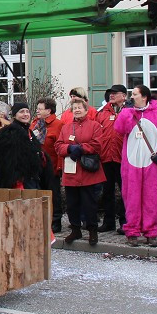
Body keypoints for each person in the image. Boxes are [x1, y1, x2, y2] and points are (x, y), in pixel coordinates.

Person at [114, 85, 157, 246]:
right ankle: (132, 231)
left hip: (151, 163)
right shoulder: (128, 113)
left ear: (144, 97)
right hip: (131, 164)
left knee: (151, 198)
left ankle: (151, 232)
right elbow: (118, 128)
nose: (132, 97)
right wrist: (126, 112)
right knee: (131, 198)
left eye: (135, 94)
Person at [55, 100, 106, 245]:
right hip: (71, 172)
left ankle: (92, 230)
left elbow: (97, 145)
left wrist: (81, 148)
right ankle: (75, 229)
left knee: (89, 203)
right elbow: (58, 146)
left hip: (88, 171)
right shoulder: (66, 127)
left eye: (79, 108)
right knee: (72, 204)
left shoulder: (95, 126)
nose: (77, 110)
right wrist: (69, 149)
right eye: (74, 108)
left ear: (86, 110)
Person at [0, 101, 43, 190]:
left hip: (31, 177)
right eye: (22, 112)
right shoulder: (9, 132)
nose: (25, 114)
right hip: (18, 180)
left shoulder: (28, 131)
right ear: (15, 115)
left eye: (27, 111)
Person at [97, 85, 127, 232]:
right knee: (107, 192)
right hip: (106, 158)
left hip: (123, 159)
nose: (111, 95)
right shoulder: (102, 112)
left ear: (124, 96)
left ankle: (125, 222)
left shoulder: (129, 111)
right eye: (110, 93)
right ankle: (108, 222)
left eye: (115, 93)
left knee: (125, 192)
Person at [31, 98, 64, 232]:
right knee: (40, 193)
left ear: (49, 111)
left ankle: (55, 221)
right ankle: (43, 220)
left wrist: (59, 167)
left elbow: (60, 146)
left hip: (52, 166)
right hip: (37, 166)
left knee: (53, 194)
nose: (37, 111)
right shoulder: (36, 123)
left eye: (40, 108)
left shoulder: (58, 124)